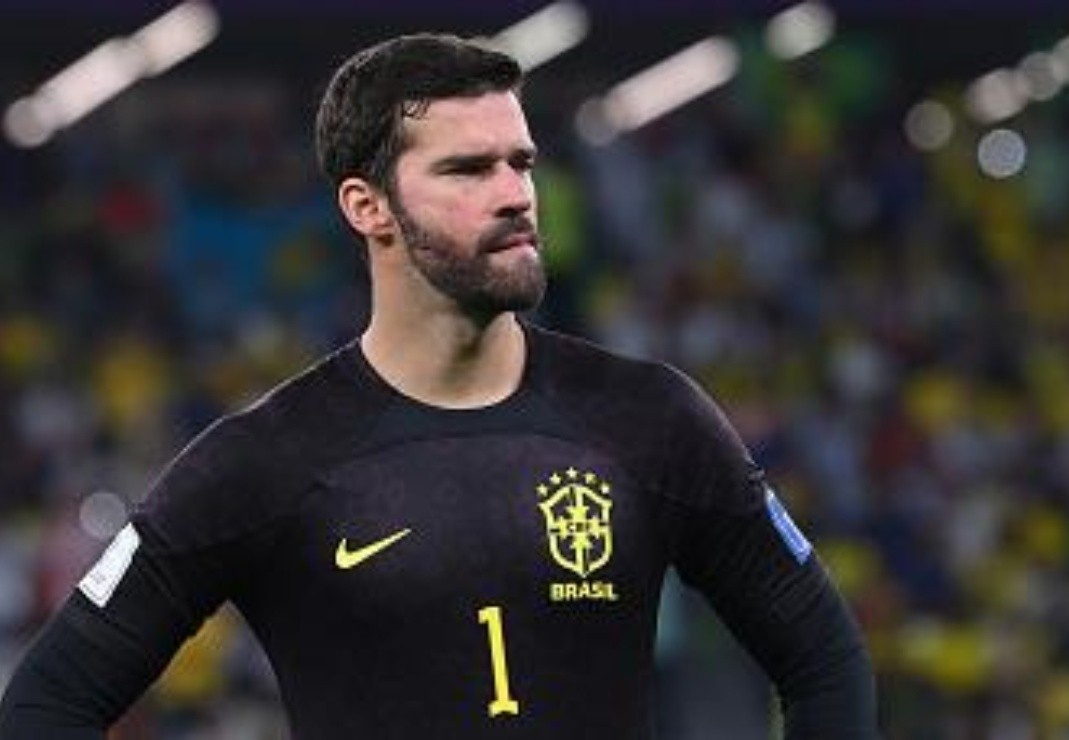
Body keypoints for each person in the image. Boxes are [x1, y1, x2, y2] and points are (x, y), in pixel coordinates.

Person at [0, 33, 877, 739]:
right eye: (468, 169)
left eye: (521, 163)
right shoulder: (265, 459)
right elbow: (49, 704)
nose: (516, 194)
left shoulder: (649, 417)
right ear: (367, 206)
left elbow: (825, 660)